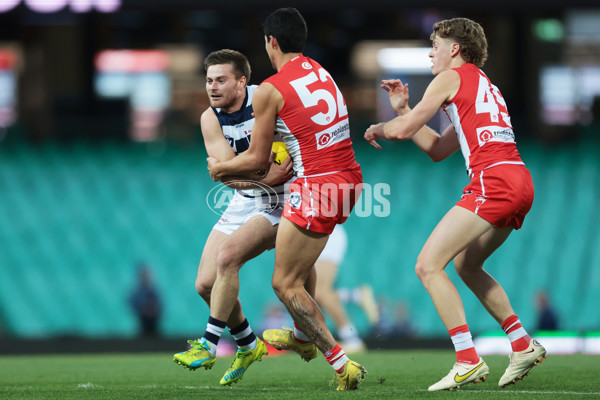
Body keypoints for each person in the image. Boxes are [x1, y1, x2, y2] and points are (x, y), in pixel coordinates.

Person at [364, 17, 546, 391]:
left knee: (428, 265)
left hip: (493, 179)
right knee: (467, 264)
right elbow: (437, 148)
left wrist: (381, 126)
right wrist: (403, 111)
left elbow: (403, 132)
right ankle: (522, 343)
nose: (431, 52)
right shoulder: (484, 87)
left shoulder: (450, 77)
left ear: (455, 49)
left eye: (435, 44)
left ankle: (467, 359)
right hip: (518, 179)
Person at [207, 8, 366, 390]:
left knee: (285, 284)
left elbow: (259, 160)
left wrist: (221, 170)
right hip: (349, 179)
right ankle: (302, 334)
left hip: (317, 186)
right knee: (299, 274)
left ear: (271, 42)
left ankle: (343, 364)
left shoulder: (272, 89)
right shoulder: (321, 71)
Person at [172, 49, 293, 386]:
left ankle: (209, 344)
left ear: (242, 82)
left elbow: (244, 166)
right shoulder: (209, 118)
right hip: (247, 198)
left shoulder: (266, 101)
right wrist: (264, 175)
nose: (212, 86)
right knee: (204, 285)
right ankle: (249, 344)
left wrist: (254, 173)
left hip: (285, 200)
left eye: (221, 79)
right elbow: (230, 177)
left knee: (230, 259)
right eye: (209, 80)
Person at [313, 224, 378, 353]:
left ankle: (352, 340)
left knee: (319, 292)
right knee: (314, 295)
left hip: (324, 229)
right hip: (311, 230)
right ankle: (356, 296)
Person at [129, 263, 162, 337]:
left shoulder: (153, 290)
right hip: (143, 318)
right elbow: (133, 303)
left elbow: (159, 304)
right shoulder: (138, 291)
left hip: (154, 319)